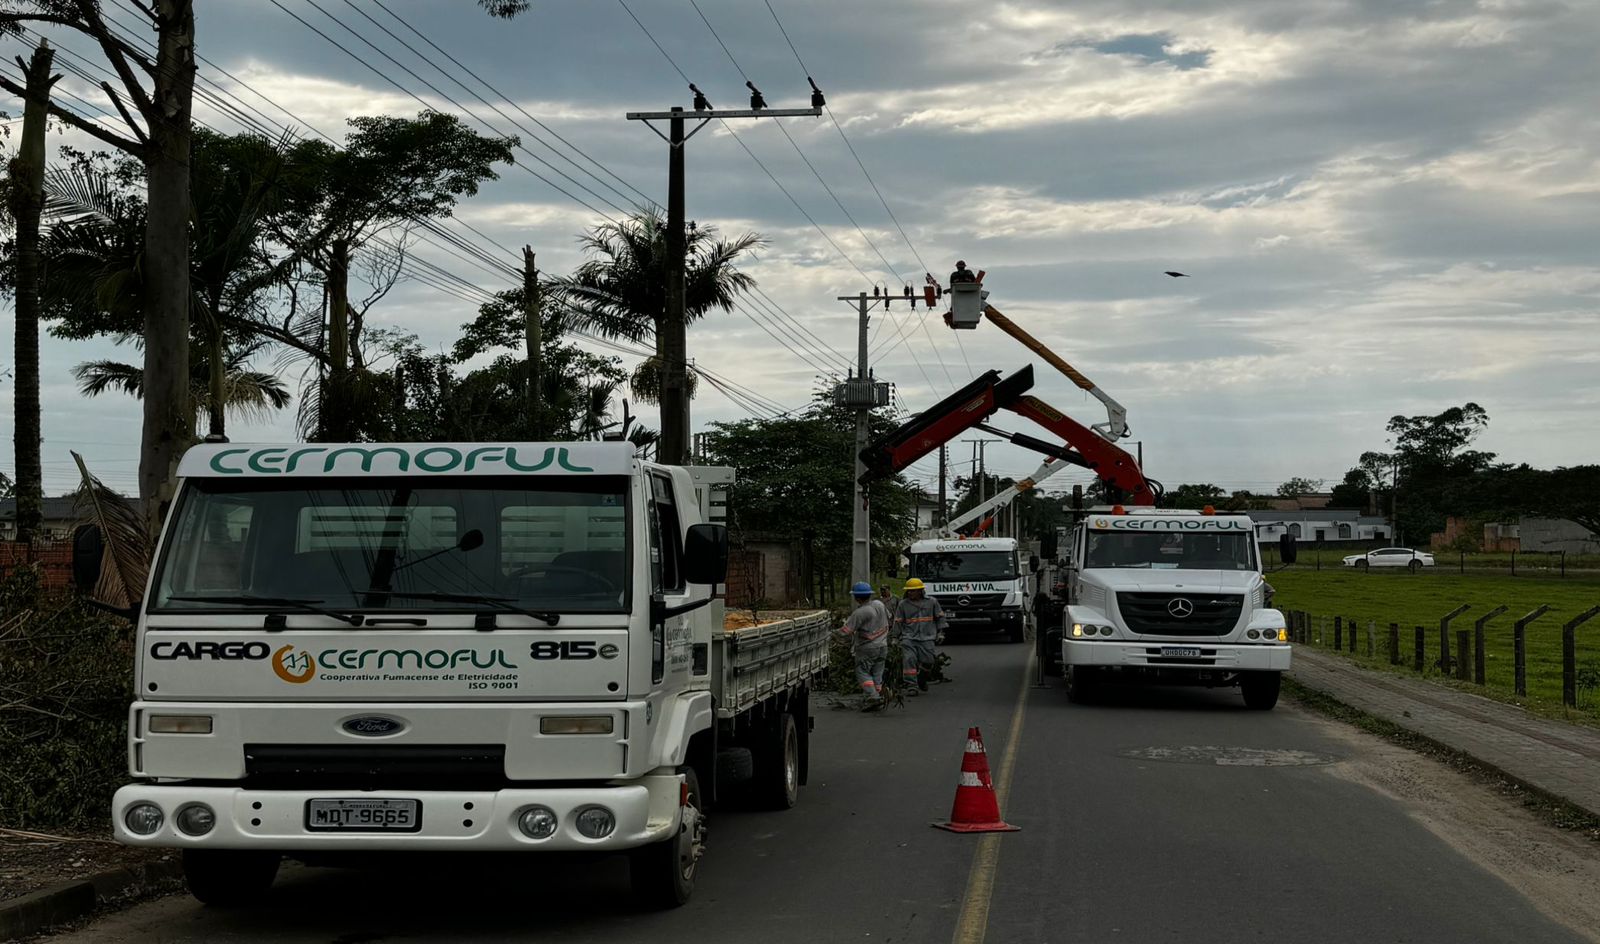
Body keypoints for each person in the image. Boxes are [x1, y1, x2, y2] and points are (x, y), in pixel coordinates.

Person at [840, 581, 889, 710]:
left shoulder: (860, 612)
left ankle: (873, 696)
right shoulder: (879, 604)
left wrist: (830, 635)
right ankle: (878, 694)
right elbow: (889, 618)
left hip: (867, 648)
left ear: (856, 597)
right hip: (883, 646)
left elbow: (845, 632)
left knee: (863, 672)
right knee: (877, 673)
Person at [893, 578, 947, 693]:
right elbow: (898, 621)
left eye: (913, 591)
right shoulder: (903, 604)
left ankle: (921, 679)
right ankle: (911, 685)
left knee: (928, 661)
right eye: (909, 591)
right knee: (909, 660)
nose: (910, 593)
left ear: (920, 591)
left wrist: (941, 633)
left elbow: (940, 617)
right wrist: (894, 637)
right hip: (909, 638)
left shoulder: (932, 602)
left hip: (927, 637)